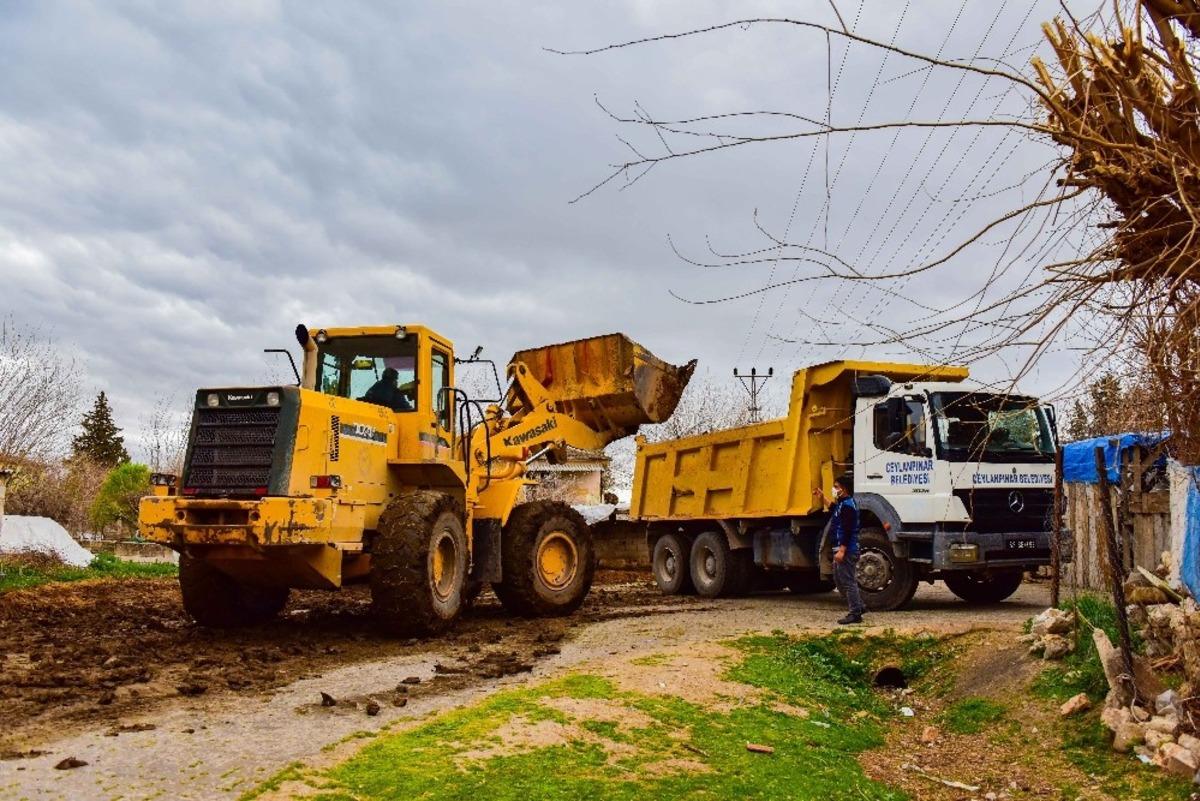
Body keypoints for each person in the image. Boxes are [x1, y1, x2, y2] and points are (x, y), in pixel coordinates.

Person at [813, 476, 866, 625]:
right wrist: (822, 497)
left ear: (844, 488)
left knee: (848, 581)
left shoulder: (848, 506)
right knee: (839, 578)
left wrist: (842, 550)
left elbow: (848, 530)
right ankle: (859, 605)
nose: (834, 489)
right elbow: (833, 509)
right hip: (842, 548)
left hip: (847, 550)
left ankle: (855, 613)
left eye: (836, 486)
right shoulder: (843, 505)